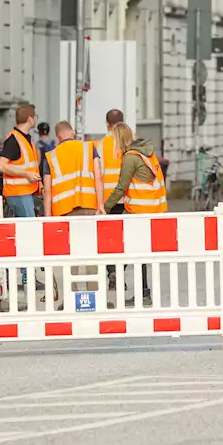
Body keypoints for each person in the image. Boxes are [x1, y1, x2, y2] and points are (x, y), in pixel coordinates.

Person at [102, 122, 167, 306]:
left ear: (119, 139)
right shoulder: (145, 152)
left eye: (114, 140)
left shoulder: (131, 157)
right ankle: (142, 292)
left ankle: (118, 274)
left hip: (139, 211)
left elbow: (121, 187)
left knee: (133, 251)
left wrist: (105, 208)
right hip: (150, 209)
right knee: (138, 252)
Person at [44, 121, 101, 217]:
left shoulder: (51, 156)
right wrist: (100, 205)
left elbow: (47, 190)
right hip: (89, 206)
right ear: (73, 132)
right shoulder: (89, 147)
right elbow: (98, 176)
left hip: (62, 210)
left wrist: (47, 217)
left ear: (57, 138)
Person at [0, 104, 41, 218]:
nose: (36, 119)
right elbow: (1, 166)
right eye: (35, 116)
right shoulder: (14, 140)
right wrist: (26, 174)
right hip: (19, 193)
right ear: (30, 119)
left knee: (23, 230)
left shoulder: (24, 139)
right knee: (29, 229)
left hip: (23, 193)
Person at [93, 109, 126, 202]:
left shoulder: (97, 145)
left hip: (105, 197)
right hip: (127, 196)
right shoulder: (129, 142)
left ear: (107, 124)